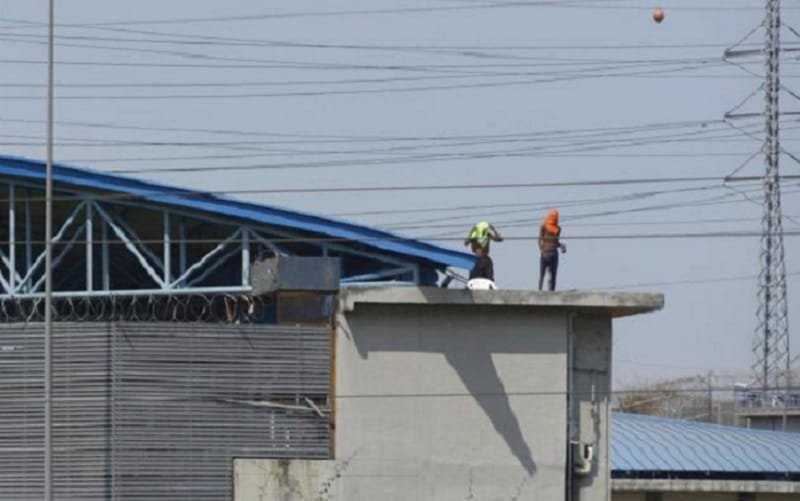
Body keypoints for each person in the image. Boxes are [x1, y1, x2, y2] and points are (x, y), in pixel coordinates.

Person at [538, 209, 566, 291]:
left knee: (550, 275)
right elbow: (540, 240)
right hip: (547, 253)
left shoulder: (557, 228)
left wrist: (561, 246)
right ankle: (541, 290)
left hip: (551, 253)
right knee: (545, 274)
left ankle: (550, 292)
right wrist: (542, 250)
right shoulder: (544, 226)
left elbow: (554, 242)